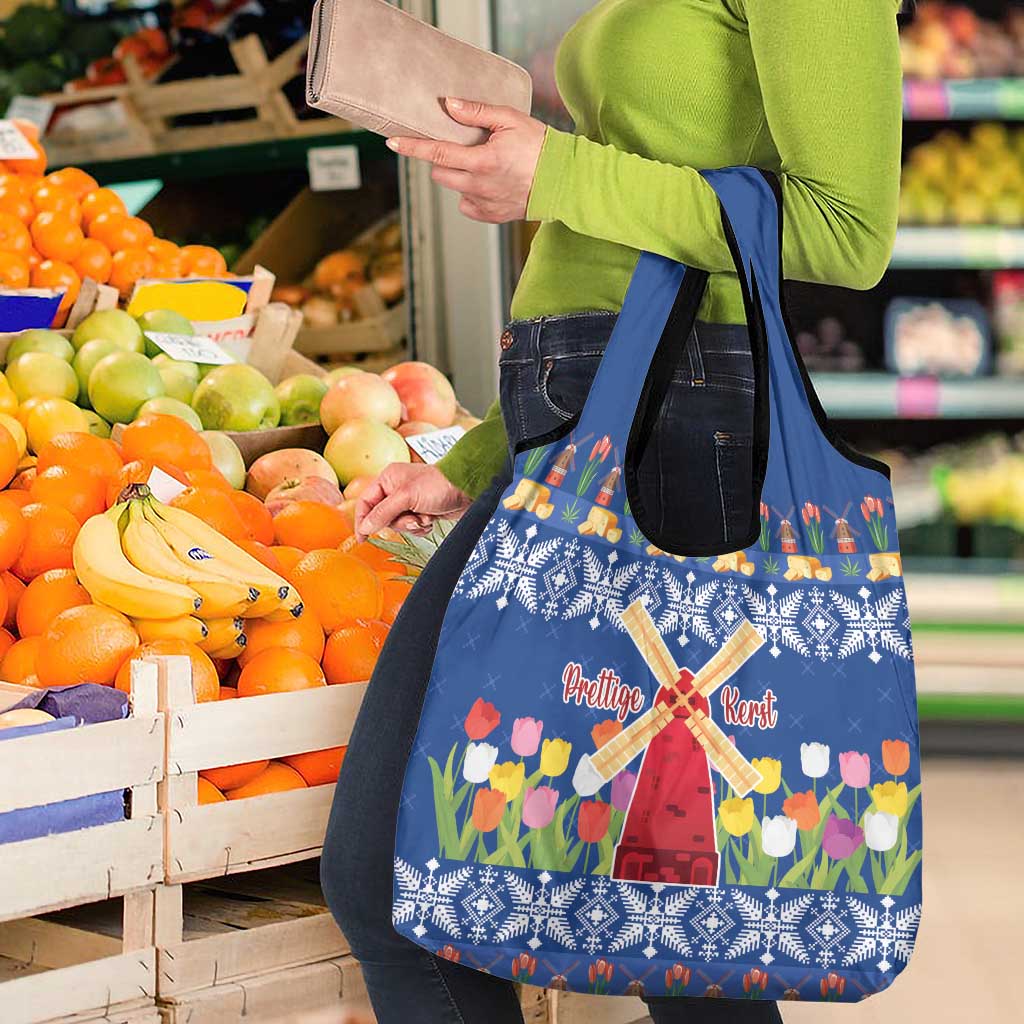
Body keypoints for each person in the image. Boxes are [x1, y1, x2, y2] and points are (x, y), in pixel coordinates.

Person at [321, 2, 904, 1021]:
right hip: (584, 434)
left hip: (679, 436)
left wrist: (557, 172)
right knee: (617, 914)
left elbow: (847, 230)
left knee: (654, 921)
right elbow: (621, 239)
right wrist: (480, 457)